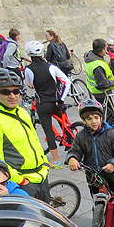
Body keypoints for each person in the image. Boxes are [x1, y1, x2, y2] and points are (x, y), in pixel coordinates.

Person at [0, 69, 50, 202]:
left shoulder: (22, 112)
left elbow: (34, 140)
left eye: (16, 91)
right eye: (5, 92)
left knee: (45, 214)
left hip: (41, 177)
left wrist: (44, 162)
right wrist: (21, 181)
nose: (12, 96)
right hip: (21, 183)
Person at [24, 40, 70, 169]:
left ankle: (56, 161)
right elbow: (66, 82)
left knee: (48, 131)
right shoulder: (51, 67)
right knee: (66, 126)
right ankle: (72, 146)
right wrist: (61, 99)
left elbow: (30, 84)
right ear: (42, 53)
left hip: (42, 104)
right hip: (56, 102)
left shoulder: (28, 69)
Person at [66, 99, 114, 195]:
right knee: (97, 200)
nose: (93, 121)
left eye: (96, 118)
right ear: (84, 121)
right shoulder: (81, 136)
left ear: (101, 118)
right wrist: (72, 158)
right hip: (94, 177)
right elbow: (75, 150)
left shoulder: (111, 133)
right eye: (89, 119)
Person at [84, 38, 114, 125]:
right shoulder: (97, 65)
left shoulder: (91, 57)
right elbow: (102, 83)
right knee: (110, 115)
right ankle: (109, 130)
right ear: (102, 50)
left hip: (95, 89)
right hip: (101, 91)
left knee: (106, 111)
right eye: (106, 48)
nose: (107, 50)